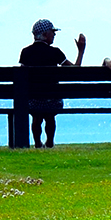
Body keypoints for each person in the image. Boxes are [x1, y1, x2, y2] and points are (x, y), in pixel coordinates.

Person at [19, 19, 85, 148]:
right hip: (53, 100)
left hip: (32, 100)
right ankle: (50, 142)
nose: (54, 35)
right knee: (49, 114)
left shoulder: (26, 52)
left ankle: (37, 143)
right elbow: (75, 71)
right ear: (44, 34)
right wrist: (81, 51)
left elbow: (22, 76)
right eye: (52, 32)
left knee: (36, 116)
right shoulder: (55, 52)